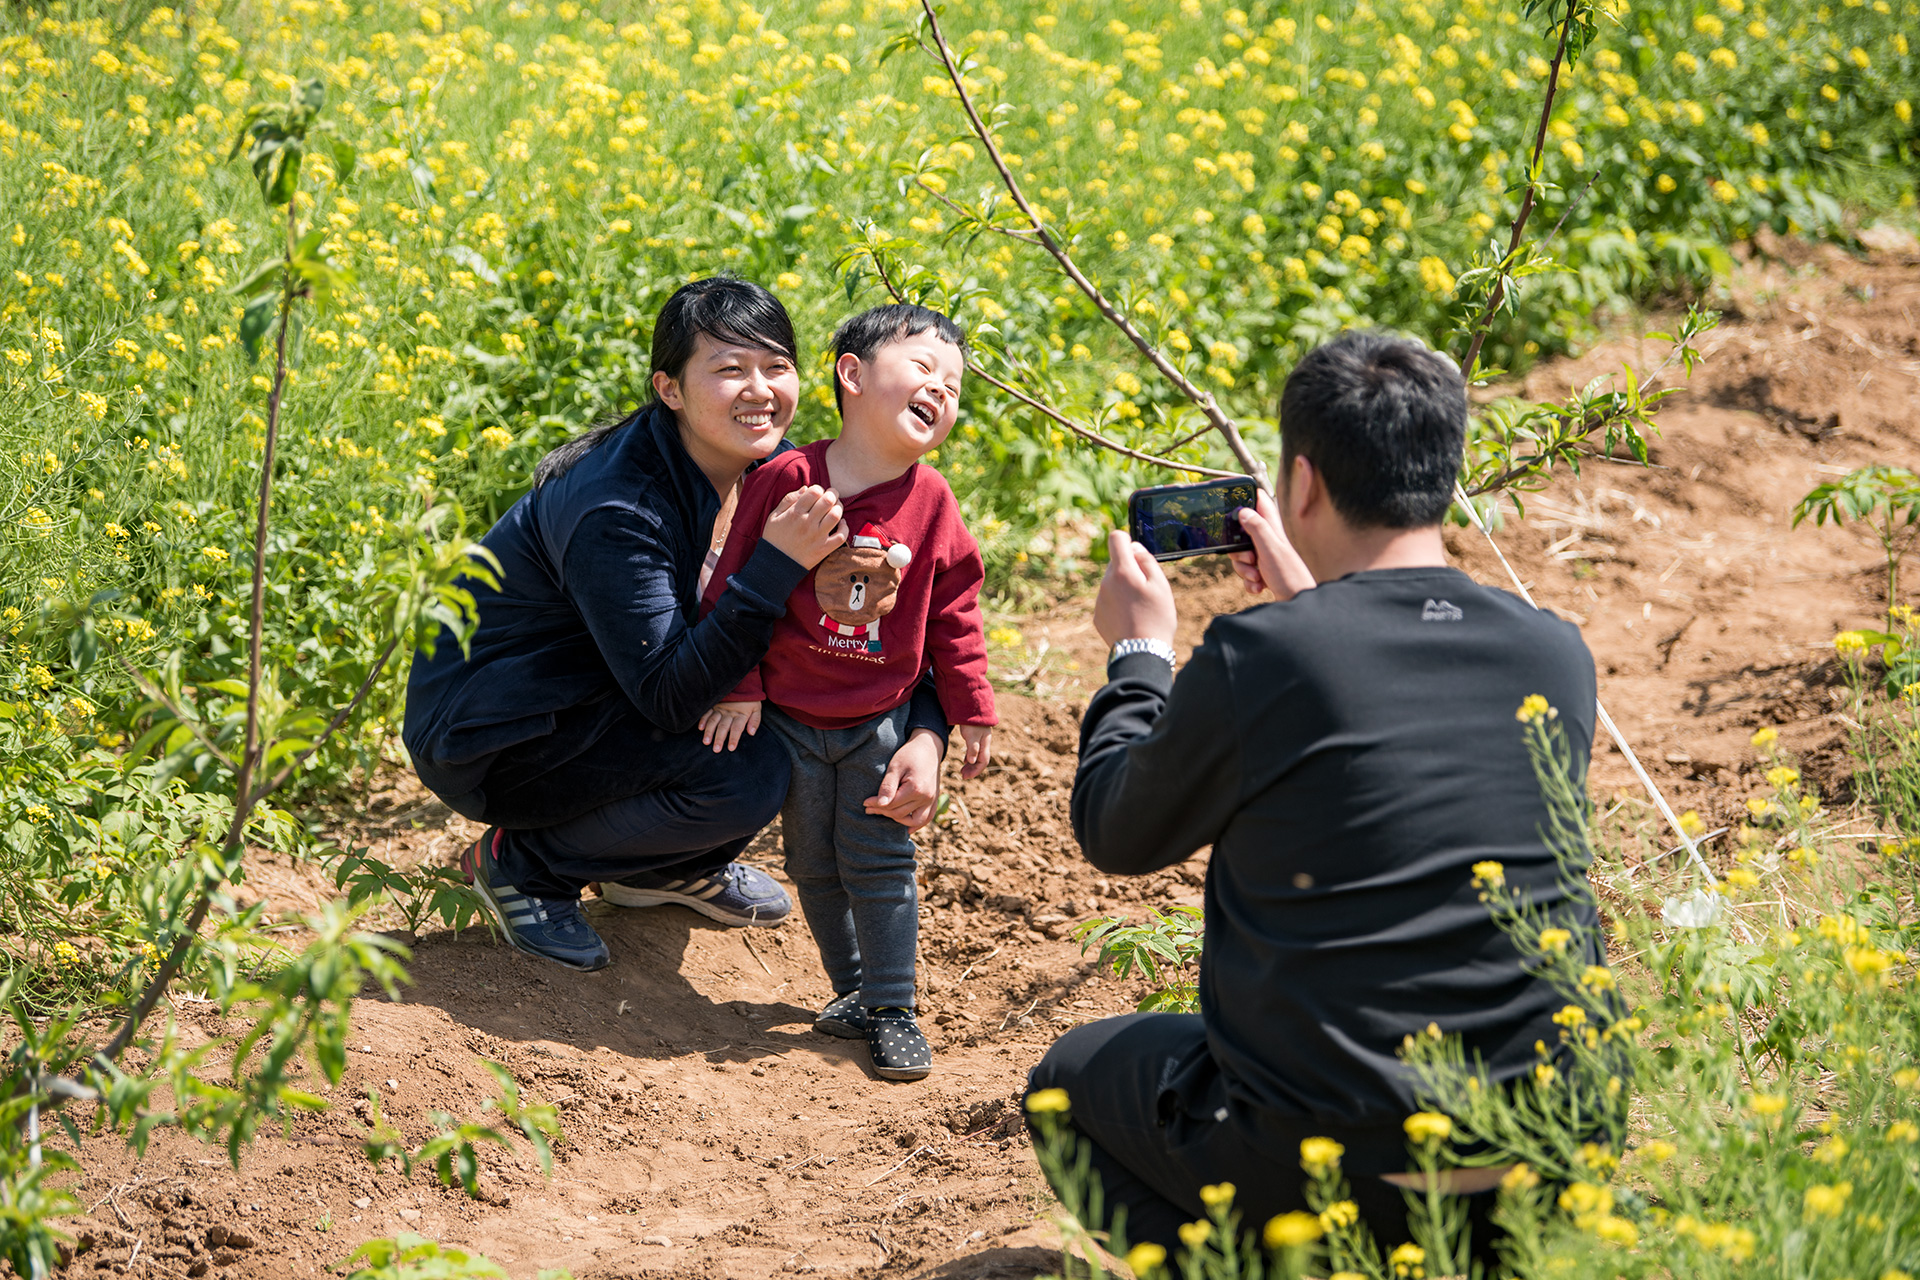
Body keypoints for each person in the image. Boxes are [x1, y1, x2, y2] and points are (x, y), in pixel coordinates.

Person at [1024, 331, 1600, 1250]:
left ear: (1299, 485)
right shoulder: (1555, 649)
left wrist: (1138, 655)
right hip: (1549, 1149)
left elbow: (1116, 832)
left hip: (1332, 1158)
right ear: (1446, 473)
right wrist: (1307, 609)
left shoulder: (1266, 658)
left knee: (1065, 1083)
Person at [402, 278, 951, 972]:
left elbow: (917, 628)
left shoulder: (762, 472)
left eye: (775, 366)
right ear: (669, 389)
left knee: (781, 695)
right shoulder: (620, 509)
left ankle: (654, 870)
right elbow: (669, 694)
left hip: (586, 691)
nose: (759, 389)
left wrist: (930, 731)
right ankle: (526, 866)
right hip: (492, 734)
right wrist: (776, 565)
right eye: (729, 370)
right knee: (754, 768)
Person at [696, 304, 996, 1080]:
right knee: (812, 865)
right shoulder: (784, 481)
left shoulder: (934, 504)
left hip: (879, 723)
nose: (941, 389)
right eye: (924, 368)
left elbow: (956, 614)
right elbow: (732, 583)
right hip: (791, 721)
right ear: (852, 374)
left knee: (879, 858)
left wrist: (969, 708)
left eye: (954, 386)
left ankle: (895, 1006)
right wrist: (741, 685)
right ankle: (854, 990)